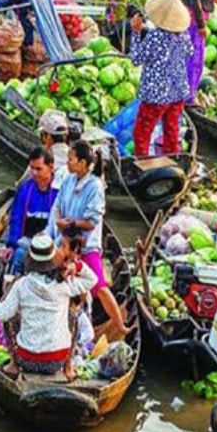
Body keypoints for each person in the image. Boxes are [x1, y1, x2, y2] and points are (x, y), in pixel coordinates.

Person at [0, 233, 96, 378]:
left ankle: (13, 365)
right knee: (73, 316)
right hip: (58, 360)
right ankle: (68, 367)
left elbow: (2, 314)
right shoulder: (64, 285)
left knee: (10, 317)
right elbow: (92, 279)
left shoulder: (21, 284)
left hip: (26, 360)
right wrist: (78, 266)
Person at [51, 141, 124, 336]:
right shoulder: (68, 180)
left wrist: (72, 223)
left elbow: (92, 222)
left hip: (86, 244)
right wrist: (59, 221)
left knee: (99, 286)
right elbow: (57, 206)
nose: (67, 162)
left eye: (71, 159)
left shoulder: (95, 186)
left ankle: (120, 325)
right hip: (65, 241)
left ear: (82, 163)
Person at [130, 0, 193, 157]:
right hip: (177, 92)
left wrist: (136, 33)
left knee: (141, 133)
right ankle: (173, 160)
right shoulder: (183, 35)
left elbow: (136, 59)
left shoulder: (155, 36)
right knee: (172, 132)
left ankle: (143, 163)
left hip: (157, 94)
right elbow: (189, 51)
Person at [5, 147, 58, 271]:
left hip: (51, 245)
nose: (34, 173)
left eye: (38, 169)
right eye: (32, 168)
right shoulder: (25, 189)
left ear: (51, 167)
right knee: (18, 256)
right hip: (27, 241)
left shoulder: (59, 190)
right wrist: (12, 245)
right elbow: (16, 218)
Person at [39, 109, 70, 182]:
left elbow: (22, 183)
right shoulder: (74, 157)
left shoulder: (42, 160)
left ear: (49, 137)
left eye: (42, 135)